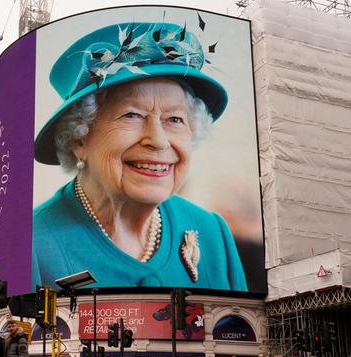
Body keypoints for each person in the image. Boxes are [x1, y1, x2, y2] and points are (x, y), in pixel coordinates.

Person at [32, 21, 248, 291]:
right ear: (78, 139)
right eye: (132, 115)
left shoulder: (213, 233)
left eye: (175, 119)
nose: (158, 140)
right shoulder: (31, 245)